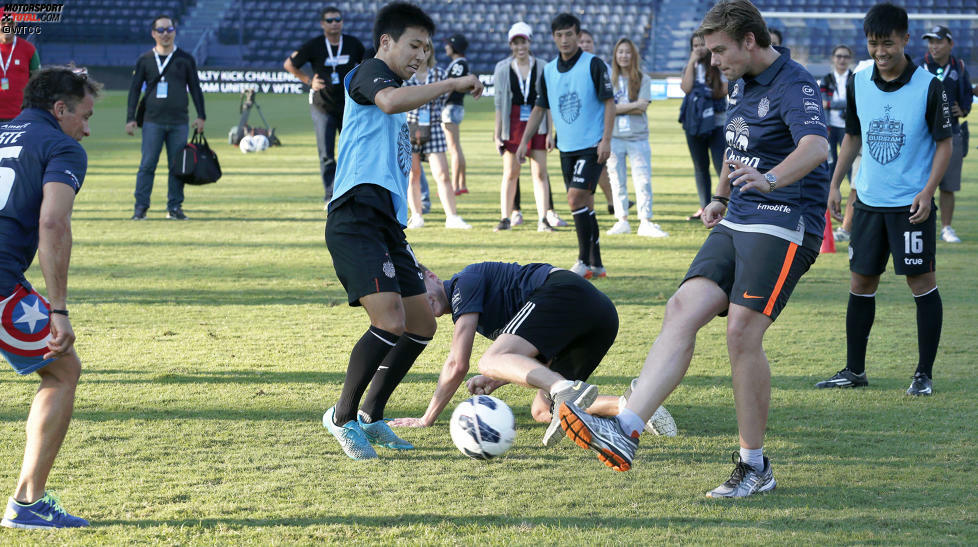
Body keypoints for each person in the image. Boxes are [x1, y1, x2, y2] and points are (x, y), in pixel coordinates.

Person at [558, 0, 830, 500]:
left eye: (720, 51)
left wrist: (769, 180)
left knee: (741, 330)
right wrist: (721, 196)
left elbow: (816, 147)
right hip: (742, 216)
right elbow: (735, 146)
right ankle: (627, 427)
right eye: (709, 53)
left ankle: (754, 466)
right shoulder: (739, 80)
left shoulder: (795, 83)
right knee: (682, 306)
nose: (714, 62)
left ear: (750, 40)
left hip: (788, 219)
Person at [322, 2, 483, 461]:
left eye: (428, 49)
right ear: (386, 42)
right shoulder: (368, 73)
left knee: (421, 323)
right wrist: (451, 82)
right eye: (415, 45)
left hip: (387, 225)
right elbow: (390, 100)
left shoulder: (397, 95)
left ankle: (372, 417)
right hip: (355, 219)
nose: (421, 55)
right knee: (389, 322)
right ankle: (342, 416)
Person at [818, 4, 951, 397]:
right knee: (860, 282)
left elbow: (945, 144)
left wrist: (927, 191)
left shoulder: (929, 86)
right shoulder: (858, 80)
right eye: (874, 44)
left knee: (921, 283)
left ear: (906, 39)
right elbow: (853, 136)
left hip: (911, 206)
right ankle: (854, 370)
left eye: (888, 43)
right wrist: (835, 183)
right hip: (869, 203)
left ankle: (923, 374)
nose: (881, 52)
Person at [0, 67, 99, 529]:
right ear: (60, 109)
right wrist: (58, 310)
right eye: (84, 114)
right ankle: (27, 502)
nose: (87, 126)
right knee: (62, 369)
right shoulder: (62, 147)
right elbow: (53, 224)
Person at [389, 262, 620, 448]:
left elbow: (457, 364)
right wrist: (496, 379)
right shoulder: (479, 309)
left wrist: (425, 418)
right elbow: (543, 353)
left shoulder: (464, 283)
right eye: (408, 304)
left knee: (489, 361)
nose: (418, 304)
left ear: (431, 276)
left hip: (568, 290)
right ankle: (631, 406)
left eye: (416, 293)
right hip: (600, 316)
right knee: (541, 410)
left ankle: (563, 388)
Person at [518, 13, 615, 279]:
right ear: (553, 38)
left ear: (577, 35)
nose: (564, 40)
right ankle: (596, 264)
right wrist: (524, 141)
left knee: (574, 200)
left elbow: (609, 103)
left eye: (569, 34)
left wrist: (606, 139)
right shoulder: (548, 71)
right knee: (585, 204)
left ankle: (582, 262)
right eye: (559, 35)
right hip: (567, 148)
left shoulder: (594, 64)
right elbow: (539, 108)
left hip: (592, 146)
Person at [125, 15, 205, 221]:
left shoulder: (186, 59)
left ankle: (175, 207)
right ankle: (140, 208)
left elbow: (195, 88)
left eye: (169, 29)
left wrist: (201, 116)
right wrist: (130, 118)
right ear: (153, 34)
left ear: (175, 32)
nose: (165, 34)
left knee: (177, 167)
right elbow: (134, 90)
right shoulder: (144, 60)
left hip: (179, 121)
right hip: (153, 121)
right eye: (160, 30)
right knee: (147, 165)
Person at [284, 6, 365, 206]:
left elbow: (367, 64)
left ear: (342, 22)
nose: (334, 23)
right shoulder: (315, 45)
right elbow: (289, 64)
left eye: (337, 19)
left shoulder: (353, 44)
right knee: (327, 154)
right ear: (322, 24)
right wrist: (307, 80)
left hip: (349, 106)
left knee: (353, 150)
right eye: (329, 20)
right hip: (322, 106)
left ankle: (353, 190)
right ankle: (330, 194)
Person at [492, 22, 557, 233]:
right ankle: (505, 217)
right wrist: (497, 134)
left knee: (540, 173)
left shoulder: (543, 66)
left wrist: (550, 131)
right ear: (511, 45)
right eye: (516, 43)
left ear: (529, 42)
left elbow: (548, 102)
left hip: (538, 122)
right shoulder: (503, 69)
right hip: (513, 123)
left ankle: (543, 219)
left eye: (523, 42)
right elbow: (499, 104)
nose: (520, 46)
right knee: (510, 172)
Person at [606, 38, 668, 238]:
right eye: (620, 52)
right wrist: (628, 107)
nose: (623, 55)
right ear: (615, 56)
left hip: (637, 138)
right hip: (614, 137)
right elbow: (607, 109)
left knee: (642, 180)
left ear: (633, 55)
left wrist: (615, 109)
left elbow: (642, 105)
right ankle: (621, 219)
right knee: (617, 180)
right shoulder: (610, 79)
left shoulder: (643, 79)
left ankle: (645, 220)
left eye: (627, 52)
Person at [405, 46, 471, 230]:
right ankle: (416, 215)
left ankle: (452, 216)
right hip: (410, 126)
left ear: (431, 52)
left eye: (426, 49)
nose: (421, 54)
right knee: (413, 175)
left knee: (442, 174)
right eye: (417, 49)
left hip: (434, 125)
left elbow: (447, 96)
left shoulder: (440, 74)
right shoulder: (406, 76)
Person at [919, 25, 971, 243]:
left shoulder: (959, 66)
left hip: (952, 132)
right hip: (924, 135)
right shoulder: (919, 66)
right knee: (919, 183)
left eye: (939, 41)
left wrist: (965, 108)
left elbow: (967, 93)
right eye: (931, 41)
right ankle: (918, 223)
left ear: (950, 44)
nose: (934, 46)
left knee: (948, 185)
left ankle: (946, 228)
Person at [680, 33, 727, 221]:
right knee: (700, 167)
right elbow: (686, 88)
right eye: (695, 45)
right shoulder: (690, 65)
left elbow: (724, 90)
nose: (699, 48)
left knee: (720, 166)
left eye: (702, 45)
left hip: (716, 122)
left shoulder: (719, 64)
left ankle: (725, 203)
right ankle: (704, 207)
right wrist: (692, 61)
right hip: (694, 123)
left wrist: (706, 93)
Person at [579, 29, 617, 216]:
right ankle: (610, 201)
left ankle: (613, 200)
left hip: (600, 127)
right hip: (578, 129)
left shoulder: (602, 67)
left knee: (602, 166)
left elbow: (612, 98)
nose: (585, 44)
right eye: (582, 41)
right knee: (594, 170)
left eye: (588, 41)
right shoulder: (572, 67)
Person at [820, 45, 856, 242]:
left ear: (850, 59)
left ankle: (851, 213)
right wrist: (842, 104)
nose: (842, 60)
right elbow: (822, 102)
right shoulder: (826, 79)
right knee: (831, 167)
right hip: (830, 128)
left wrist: (834, 104)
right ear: (833, 58)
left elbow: (854, 103)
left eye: (845, 56)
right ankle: (829, 210)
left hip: (850, 129)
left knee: (852, 171)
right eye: (839, 56)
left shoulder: (854, 78)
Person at [442, 33, 470, 196]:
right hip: (457, 107)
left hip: (451, 107)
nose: (446, 47)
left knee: (453, 149)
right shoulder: (460, 64)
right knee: (457, 148)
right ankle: (461, 184)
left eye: (449, 44)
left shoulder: (458, 65)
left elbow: (450, 87)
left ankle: (454, 186)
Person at [0, 16, 40, 122]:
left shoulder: (29, 49)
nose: (7, 26)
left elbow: (37, 81)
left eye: (11, 23)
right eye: (3, 23)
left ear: (16, 25)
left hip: (21, 115)